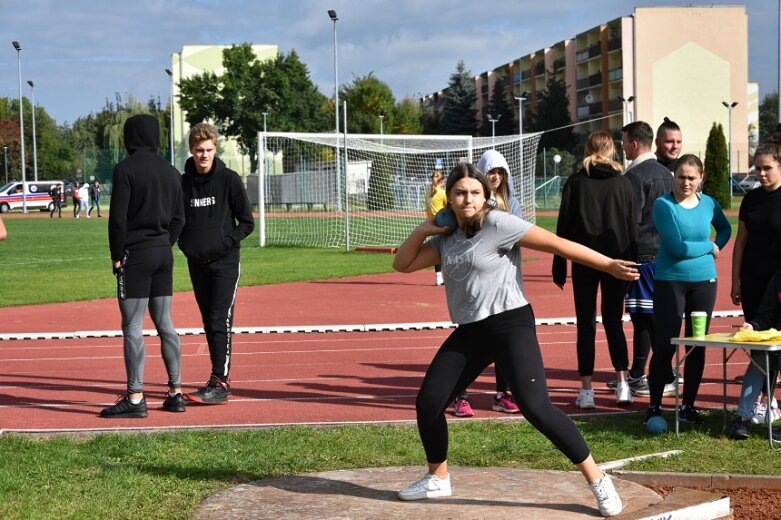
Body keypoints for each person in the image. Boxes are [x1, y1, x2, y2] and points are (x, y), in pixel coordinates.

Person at [392, 163, 638, 517]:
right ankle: (437, 477)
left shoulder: (498, 224)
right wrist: (424, 228)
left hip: (510, 323)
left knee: (535, 406)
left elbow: (559, 244)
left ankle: (598, 479)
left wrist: (608, 265)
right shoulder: (446, 240)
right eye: (460, 193)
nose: (468, 199)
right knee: (428, 402)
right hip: (472, 330)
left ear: (485, 195)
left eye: (475, 192)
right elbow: (403, 263)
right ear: (449, 197)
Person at [102, 114, 186, 419]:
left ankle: (136, 397)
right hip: (163, 253)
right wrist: (166, 242)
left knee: (133, 326)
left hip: (135, 255)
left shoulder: (125, 169)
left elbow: (118, 219)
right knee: (165, 323)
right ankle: (175, 393)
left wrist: (116, 255)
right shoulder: (172, 171)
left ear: (130, 137)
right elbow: (180, 217)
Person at [645, 154, 731, 425]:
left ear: (701, 178)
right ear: (674, 176)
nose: (686, 182)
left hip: (705, 282)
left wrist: (719, 243)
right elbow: (677, 247)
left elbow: (726, 230)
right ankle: (655, 405)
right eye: (681, 176)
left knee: (697, 344)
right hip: (671, 282)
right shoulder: (663, 204)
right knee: (665, 344)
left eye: (692, 178)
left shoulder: (709, 204)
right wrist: (709, 247)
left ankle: (689, 406)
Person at [553, 131, 637, 407]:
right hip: (618, 261)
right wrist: (632, 266)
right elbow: (631, 227)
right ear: (612, 149)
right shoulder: (623, 184)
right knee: (614, 322)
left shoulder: (576, 182)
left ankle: (587, 390)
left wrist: (559, 263)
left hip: (585, 259)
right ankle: (623, 384)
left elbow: (564, 225)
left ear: (587, 149)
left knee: (585, 325)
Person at [179, 123, 255, 405]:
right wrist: (184, 245)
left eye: (209, 150)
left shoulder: (229, 179)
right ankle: (216, 377)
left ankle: (221, 382)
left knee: (218, 318)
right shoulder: (182, 183)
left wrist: (224, 243)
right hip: (196, 262)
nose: (204, 155)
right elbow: (178, 220)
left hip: (225, 262)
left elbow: (247, 223)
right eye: (199, 150)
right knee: (208, 322)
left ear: (216, 148)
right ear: (191, 150)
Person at [450, 149, 522, 417]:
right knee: (469, 345)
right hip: (474, 285)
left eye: (500, 172)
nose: (495, 176)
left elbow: (517, 238)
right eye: (491, 171)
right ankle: (460, 395)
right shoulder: (472, 203)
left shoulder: (512, 204)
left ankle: (503, 394)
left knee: (503, 344)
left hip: (503, 285)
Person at [617, 121, 677, 398]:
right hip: (663, 255)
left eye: (624, 141)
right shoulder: (668, 174)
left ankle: (666, 374)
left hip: (642, 255)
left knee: (648, 320)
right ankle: (639, 373)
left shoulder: (635, 176)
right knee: (645, 317)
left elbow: (632, 220)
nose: (622, 146)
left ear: (635, 143)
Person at [729, 140, 781, 439]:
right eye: (757, 168)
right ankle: (754, 410)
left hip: (780, 285)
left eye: (767, 168)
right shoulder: (750, 201)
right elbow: (741, 244)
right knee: (760, 348)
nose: (761, 174)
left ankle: (766, 406)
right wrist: (735, 280)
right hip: (754, 282)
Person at [730, 269, 781, 441]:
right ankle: (741, 419)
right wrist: (753, 325)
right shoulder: (778, 276)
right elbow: (767, 314)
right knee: (760, 356)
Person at [423, 169, 447, 286]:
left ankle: (438, 277)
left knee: (438, 250)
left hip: (431, 224)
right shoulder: (442, 193)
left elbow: (426, 210)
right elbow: (449, 208)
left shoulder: (428, 192)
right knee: (447, 249)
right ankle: (447, 275)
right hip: (443, 224)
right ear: (442, 180)